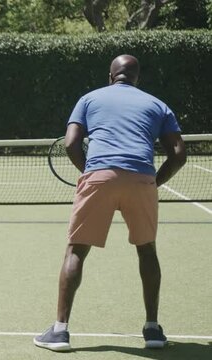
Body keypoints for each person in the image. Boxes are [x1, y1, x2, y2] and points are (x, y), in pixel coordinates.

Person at [33, 55, 187, 352]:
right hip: (142, 179)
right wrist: (154, 180)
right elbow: (179, 154)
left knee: (76, 250)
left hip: (98, 177)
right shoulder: (158, 105)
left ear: (110, 76)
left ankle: (60, 332)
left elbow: (70, 143)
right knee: (147, 250)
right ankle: (153, 330)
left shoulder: (89, 99)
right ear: (136, 78)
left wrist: (91, 173)